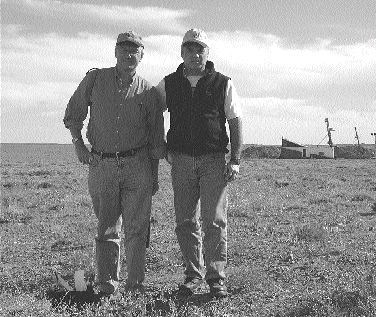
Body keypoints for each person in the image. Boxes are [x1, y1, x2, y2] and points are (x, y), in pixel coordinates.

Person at [63, 31, 165, 296]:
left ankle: (135, 286)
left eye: (135, 50)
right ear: (115, 52)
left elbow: (156, 140)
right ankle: (107, 285)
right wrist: (78, 144)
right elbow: (74, 113)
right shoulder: (95, 79)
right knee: (106, 227)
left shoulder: (150, 92)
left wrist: (153, 177)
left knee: (136, 229)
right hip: (102, 165)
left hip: (138, 167)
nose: (129, 55)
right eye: (124, 49)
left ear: (142, 56)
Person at [156, 28, 243, 298]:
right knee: (184, 221)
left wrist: (235, 159)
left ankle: (216, 278)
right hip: (180, 161)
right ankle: (193, 275)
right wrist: (162, 149)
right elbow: (151, 114)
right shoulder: (168, 84)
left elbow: (235, 120)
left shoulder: (223, 83)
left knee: (214, 221)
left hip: (213, 161)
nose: (195, 54)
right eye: (189, 49)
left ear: (207, 53)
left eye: (200, 49)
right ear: (181, 53)